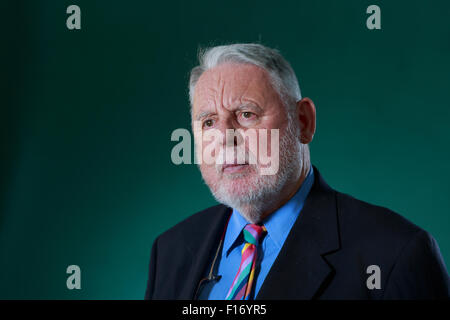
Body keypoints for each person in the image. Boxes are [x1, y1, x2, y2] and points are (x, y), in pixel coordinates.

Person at [145, 43, 450, 299]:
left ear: (303, 121)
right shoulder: (170, 252)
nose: (225, 138)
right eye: (209, 121)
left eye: (246, 114)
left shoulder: (396, 254)